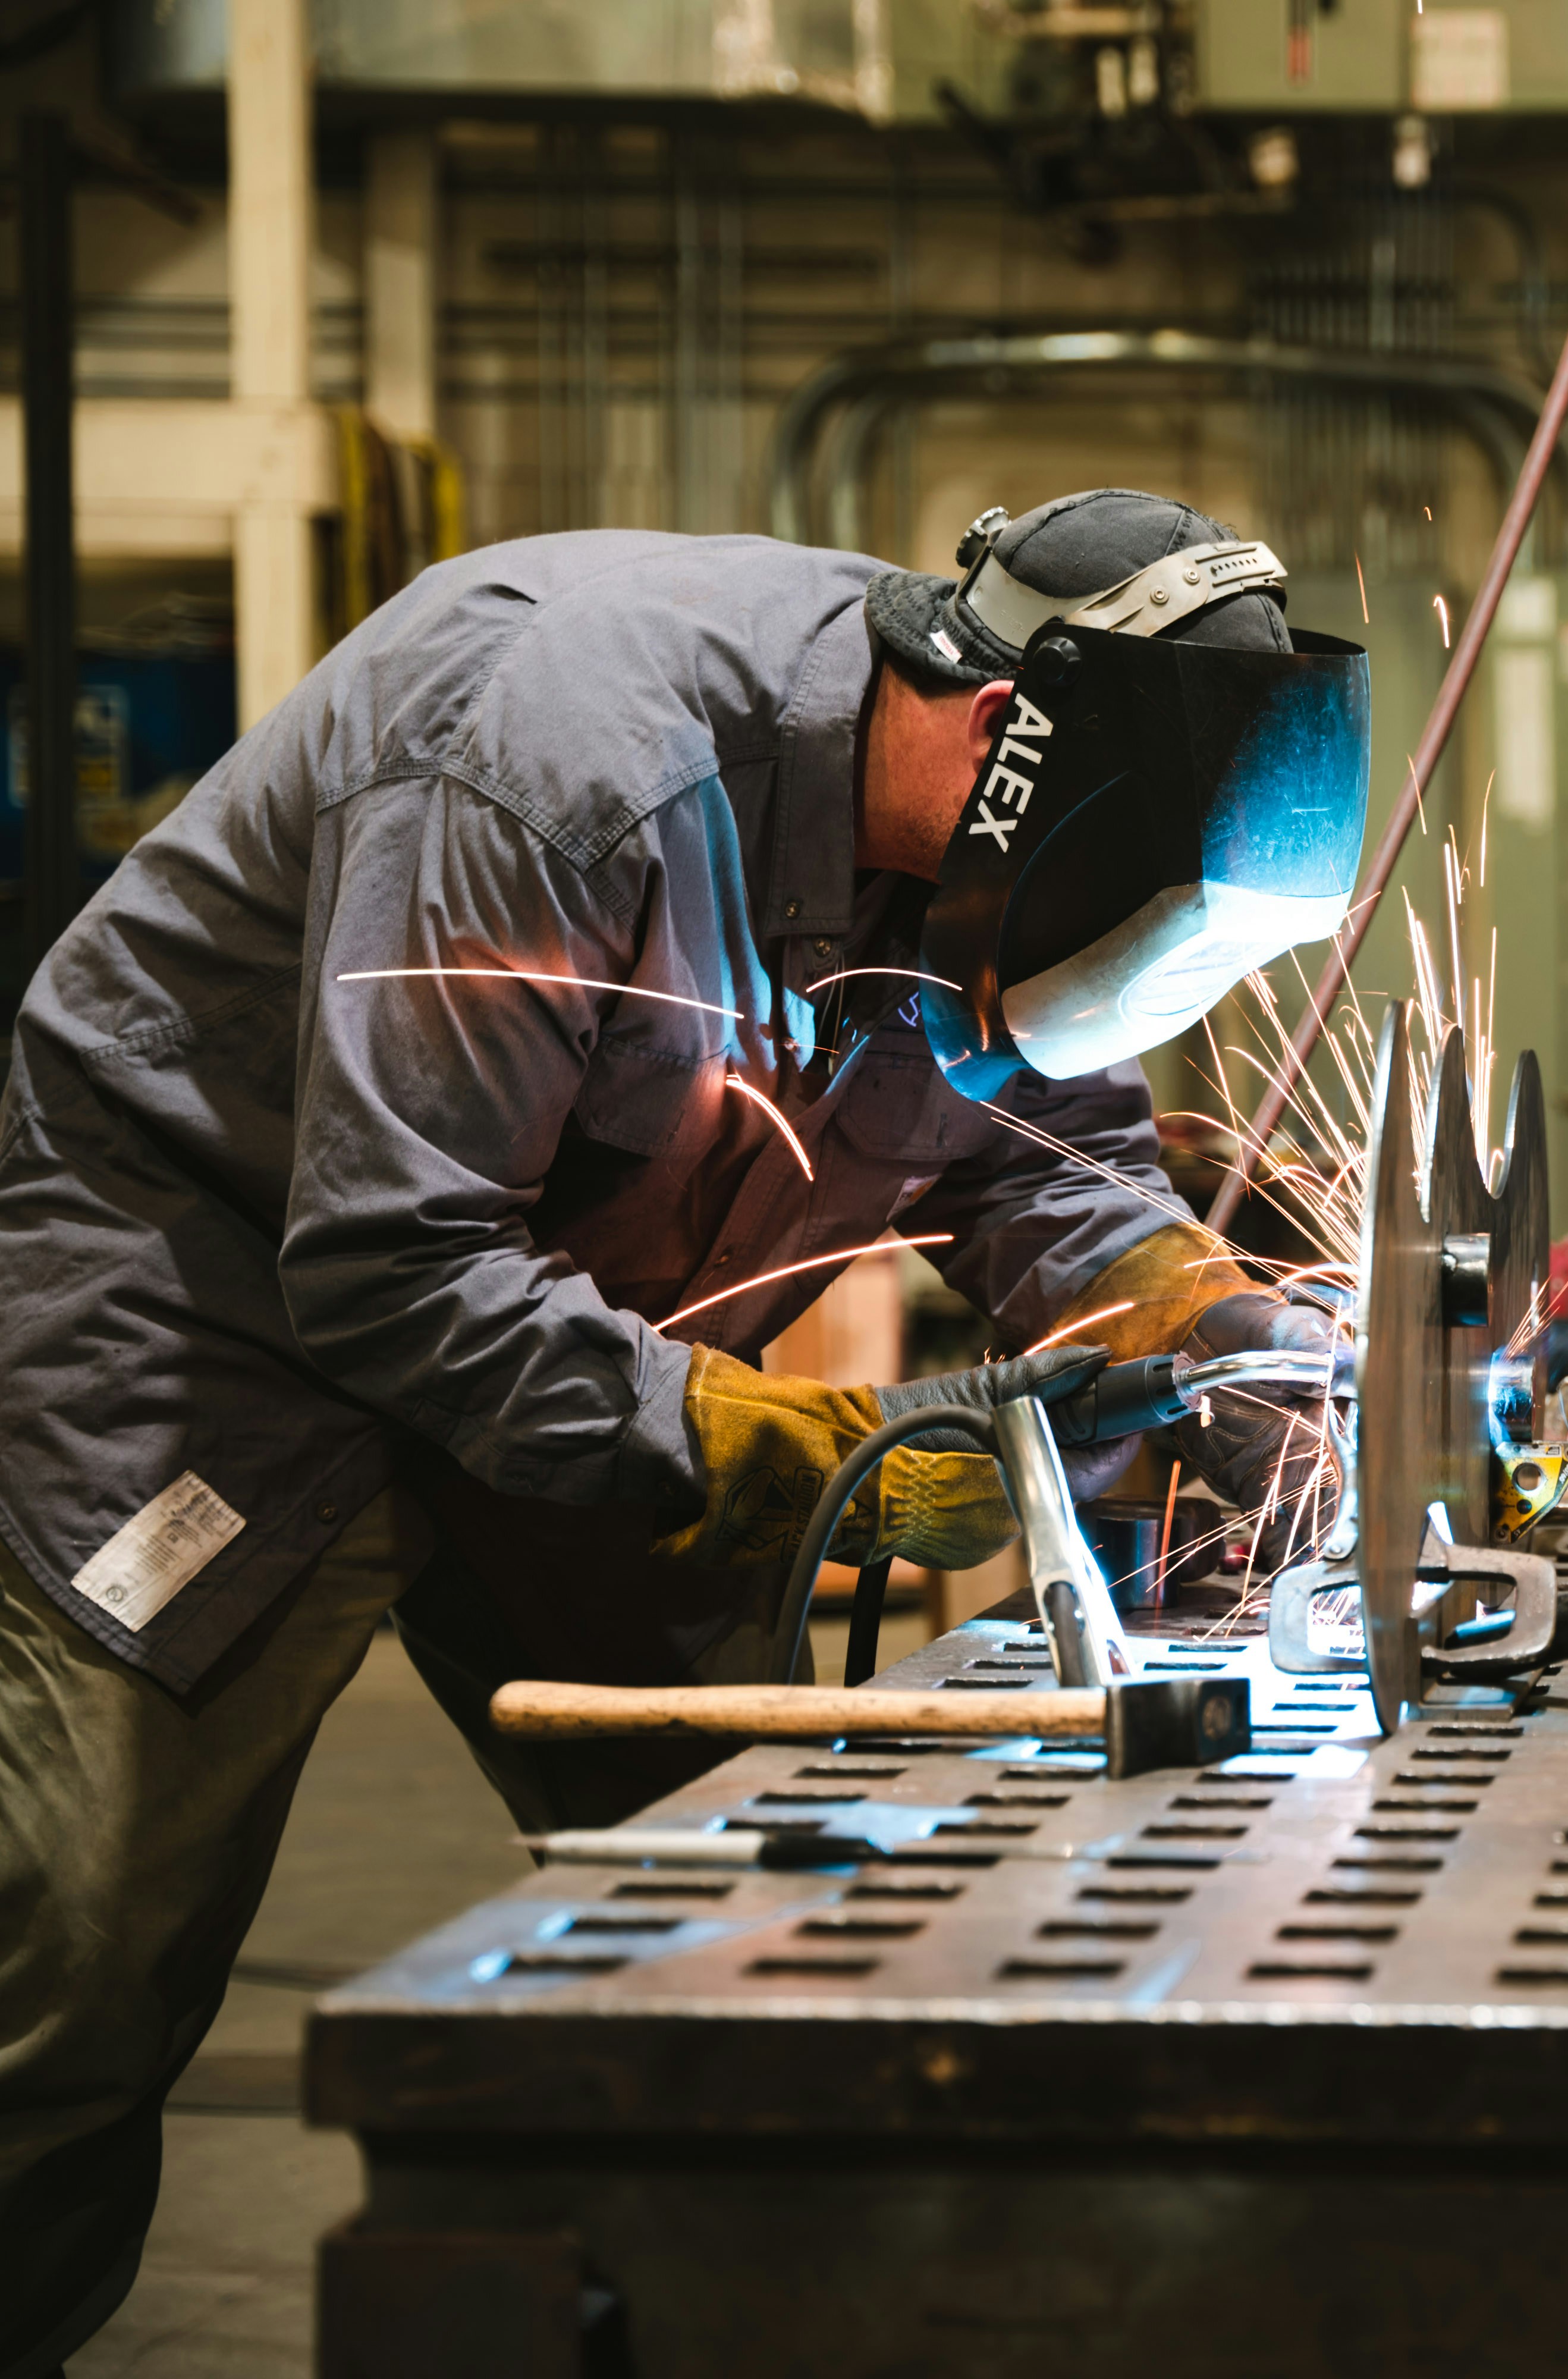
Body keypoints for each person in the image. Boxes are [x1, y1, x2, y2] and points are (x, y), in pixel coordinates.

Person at [0, 488, 1365, 2372]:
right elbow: (396, 1265)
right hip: (218, 1298)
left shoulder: (1022, 858)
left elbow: (1059, 1178)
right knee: (76, 1951)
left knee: (747, 1868)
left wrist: (1225, 1336)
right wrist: (810, 1454)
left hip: (587, 1334)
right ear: (998, 740)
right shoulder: (559, 763)